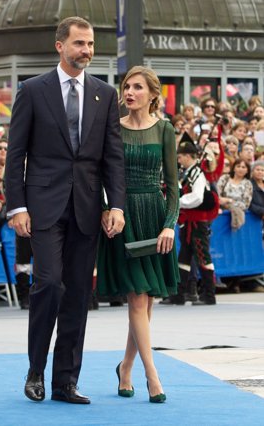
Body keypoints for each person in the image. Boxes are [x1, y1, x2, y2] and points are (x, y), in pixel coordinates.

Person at [5, 16, 125, 405]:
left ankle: (65, 381)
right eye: (79, 44)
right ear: (60, 46)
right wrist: (17, 205)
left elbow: (113, 158)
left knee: (77, 295)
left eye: (90, 44)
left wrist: (116, 205)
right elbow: (16, 155)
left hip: (88, 207)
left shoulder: (105, 95)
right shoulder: (32, 90)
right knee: (49, 283)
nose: (86, 51)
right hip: (43, 207)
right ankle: (36, 369)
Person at [97, 66, 180, 403]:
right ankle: (153, 376)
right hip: (122, 216)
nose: (129, 93)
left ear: (152, 94)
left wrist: (169, 224)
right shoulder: (112, 130)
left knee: (146, 302)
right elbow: (100, 177)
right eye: (126, 87)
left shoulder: (164, 129)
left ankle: (126, 367)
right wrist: (105, 208)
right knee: (136, 296)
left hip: (153, 217)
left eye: (137, 87)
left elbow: (173, 186)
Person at [172, 133, 219, 306]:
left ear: (188, 156)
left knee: (202, 255)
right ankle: (178, 294)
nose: (179, 158)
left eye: (181, 156)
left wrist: (178, 203)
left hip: (197, 224)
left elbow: (198, 197)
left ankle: (209, 294)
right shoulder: (187, 172)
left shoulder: (198, 174)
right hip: (188, 223)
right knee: (184, 257)